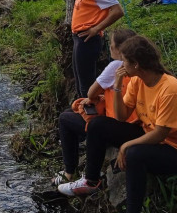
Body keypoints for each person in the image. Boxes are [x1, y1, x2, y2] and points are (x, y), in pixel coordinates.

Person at [57, 35, 177, 213]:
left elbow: (162, 134)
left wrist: (127, 145)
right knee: (98, 124)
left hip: (175, 150)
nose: (121, 65)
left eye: (124, 62)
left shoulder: (170, 89)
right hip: (149, 136)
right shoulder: (137, 81)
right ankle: (91, 181)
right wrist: (117, 85)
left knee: (135, 154)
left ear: (136, 64)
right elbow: (121, 116)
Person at [53, 29, 139, 186]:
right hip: (135, 124)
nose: (109, 47)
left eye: (112, 45)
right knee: (70, 113)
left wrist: (95, 97)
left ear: (119, 50)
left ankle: (70, 172)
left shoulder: (116, 66)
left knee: (65, 119)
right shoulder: (139, 67)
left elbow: (91, 92)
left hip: (116, 125)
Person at [71, 0, 125, 98]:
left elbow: (118, 11)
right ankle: (82, 111)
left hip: (87, 40)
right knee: (79, 79)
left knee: (86, 83)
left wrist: (96, 29)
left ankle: (90, 115)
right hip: (78, 38)